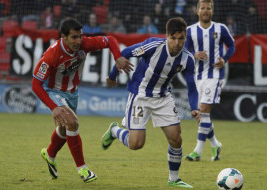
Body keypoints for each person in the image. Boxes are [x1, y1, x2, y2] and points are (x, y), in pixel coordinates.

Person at [102, 17, 200, 188]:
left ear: (185, 38)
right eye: (173, 38)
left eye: (181, 38)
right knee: (136, 144)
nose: (177, 43)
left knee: (176, 139)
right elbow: (125, 53)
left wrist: (194, 108)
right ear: (167, 36)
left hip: (162, 98)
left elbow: (192, 87)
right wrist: (112, 76)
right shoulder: (154, 46)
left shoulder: (187, 59)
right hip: (140, 96)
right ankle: (115, 131)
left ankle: (174, 179)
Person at [32, 18, 133, 182]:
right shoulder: (52, 54)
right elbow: (36, 84)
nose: (78, 41)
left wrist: (117, 57)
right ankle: (83, 169)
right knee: (73, 123)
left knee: (65, 130)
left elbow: (110, 40)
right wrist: (53, 107)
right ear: (63, 37)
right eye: (74, 37)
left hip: (73, 93)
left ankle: (49, 154)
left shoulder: (84, 44)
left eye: (80, 36)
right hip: (54, 92)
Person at [184, 0, 235, 161]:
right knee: (201, 116)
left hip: (214, 75)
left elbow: (231, 46)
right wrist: (194, 54)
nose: (206, 11)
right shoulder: (190, 31)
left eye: (209, 8)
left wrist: (224, 59)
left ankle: (197, 152)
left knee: (204, 111)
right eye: (203, 8)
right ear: (197, 11)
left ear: (212, 11)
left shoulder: (220, 28)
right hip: (197, 77)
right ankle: (215, 144)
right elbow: (183, 51)